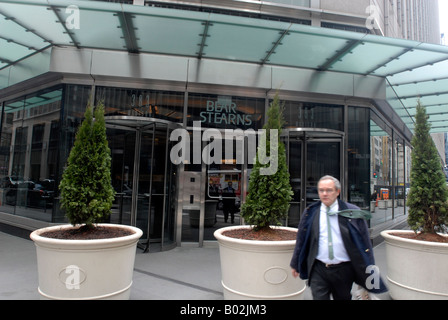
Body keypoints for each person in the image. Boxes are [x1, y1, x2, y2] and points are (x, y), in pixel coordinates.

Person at [290, 175, 387, 300]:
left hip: (344, 271)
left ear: (337, 192)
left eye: (329, 190)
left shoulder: (352, 212)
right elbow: (301, 239)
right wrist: (295, 264)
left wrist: (370, 276)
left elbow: (365, 245)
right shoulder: (311, 212)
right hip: (318, 269)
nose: (324, 194)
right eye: (321, 190)